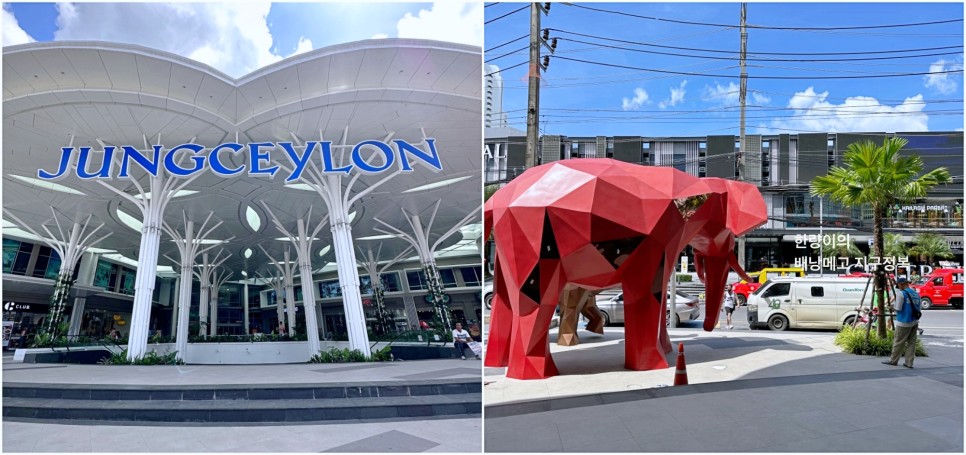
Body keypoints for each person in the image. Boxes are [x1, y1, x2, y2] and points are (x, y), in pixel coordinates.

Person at [883, 277, 921, 369]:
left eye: (898, 285)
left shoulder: (901, 294)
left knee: (898, 342)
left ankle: (893, 360)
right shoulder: (916, 294)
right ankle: (909, 363)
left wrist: (891, 307)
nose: (898, 287)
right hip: (914, 322)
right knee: (911, 343)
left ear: (902, 284)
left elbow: (898, 308)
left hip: (903, 322)